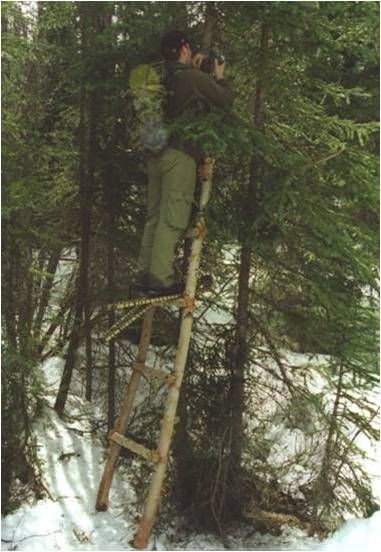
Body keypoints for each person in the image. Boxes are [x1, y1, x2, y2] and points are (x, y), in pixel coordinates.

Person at [131, 30, 233, 298]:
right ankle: (160, 280)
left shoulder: (161, 77)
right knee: (172, 219)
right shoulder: (190, 77)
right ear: (185, 49)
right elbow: (224, 101)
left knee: (154, 216)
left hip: (154, 154)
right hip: (180, 156)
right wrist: (219, 77)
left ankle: (143, 276)